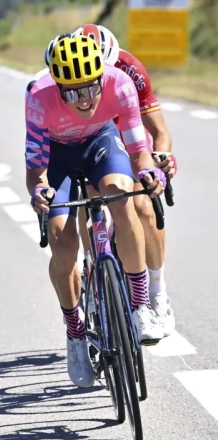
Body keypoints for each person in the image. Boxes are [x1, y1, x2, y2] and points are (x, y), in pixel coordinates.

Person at [26, 35, 166, 388]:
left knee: (122, 197)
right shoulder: (38, 96)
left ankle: (138, 307)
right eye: (72, 93)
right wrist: (39, 190)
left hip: (101, 143)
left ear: (102, 77)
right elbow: (36, 166)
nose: (84, 100)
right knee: (63, 243)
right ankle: (75, 334)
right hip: (57, 156)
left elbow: (137, 149)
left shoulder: (119, 84)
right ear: (57, 86)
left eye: (90, 88)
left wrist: (148, 171)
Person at [73, 23, 177, 334]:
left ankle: (157, 294)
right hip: (90, 138)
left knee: (145, 208)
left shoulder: (131, 70)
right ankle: (93, 266)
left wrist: (160, 160)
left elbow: (159, 132)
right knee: (89, 203)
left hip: (128, 136)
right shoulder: (71, 73)